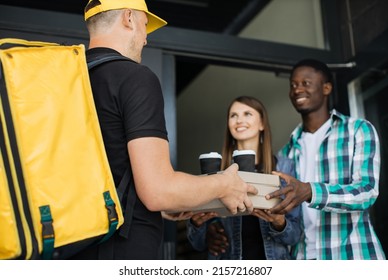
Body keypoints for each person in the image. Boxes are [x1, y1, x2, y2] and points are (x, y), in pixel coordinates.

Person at [72, 0, 258, 260]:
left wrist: (168, 204)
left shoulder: (68, 81)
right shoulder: (134, 78)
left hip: (71, 247)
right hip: (120, 252)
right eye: (145, 25)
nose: (146, 39)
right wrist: (223, 184)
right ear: (128, 18)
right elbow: (159, 192)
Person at [267, 58, 386, 260]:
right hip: (304, 259)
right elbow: (286, 219)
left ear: (326, 87)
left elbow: (367, 191)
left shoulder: (358, 130)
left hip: (353, 255)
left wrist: (310, 191)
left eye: (305, 83)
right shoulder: (285, 153)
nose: (297, 90)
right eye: (293, 85)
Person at [186, 96, 301, 260]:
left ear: (262, 123)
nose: (239, 120)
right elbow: (197, 244)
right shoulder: (216, 171)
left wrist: (279, 223)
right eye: (233, 115)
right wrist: (197, 224)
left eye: (247, 113)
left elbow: (295, 236)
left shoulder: (284, 168)